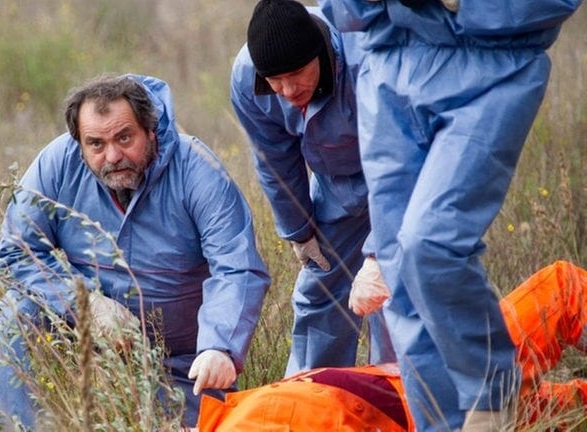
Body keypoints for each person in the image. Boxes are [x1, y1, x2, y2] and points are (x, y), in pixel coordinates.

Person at [317, 0, 584, 429]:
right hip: (387, 69)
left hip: (492, 64)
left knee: (431, 243)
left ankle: (492, 394)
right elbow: (341, 11)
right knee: (399, 280)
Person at [0, 74, 271, 430]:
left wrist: (219, 347)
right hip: (87, 349)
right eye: (96, 144)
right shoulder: (57, 163)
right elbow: (14, 253)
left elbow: (237, 268)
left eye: (124, 138)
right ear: (79, 144)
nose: (113, 156)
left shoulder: (197, 169)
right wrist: (83, 303)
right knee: (13, 314)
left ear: (150, 130)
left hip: (182, 362)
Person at [195, 260, 587, 431]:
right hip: (449, 396)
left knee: (569, 407)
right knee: (564, 290)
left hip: (427, 388)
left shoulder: (225, 418)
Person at [230, 0, 393, 375]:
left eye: (297, 74)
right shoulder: (247, 79)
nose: (287, 90)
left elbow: (401, 158)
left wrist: (381, 252)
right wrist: (300, 230)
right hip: (337, 188)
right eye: (275, 80)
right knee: (319, 292)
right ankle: (314, 399)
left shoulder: (364, 57)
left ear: (320, 54)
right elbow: (275, 161)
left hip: (397, 180)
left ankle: (396, 403)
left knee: (392, 295)